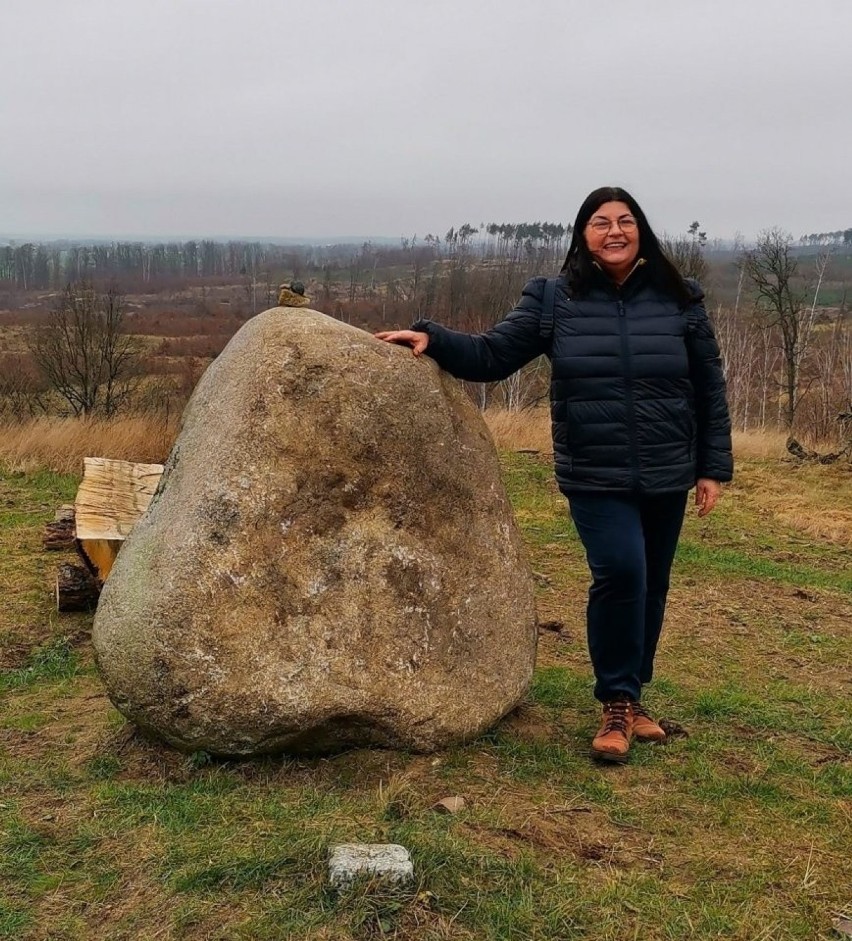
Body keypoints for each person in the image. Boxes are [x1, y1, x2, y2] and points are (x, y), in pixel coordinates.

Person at [375, 186, 733, 764]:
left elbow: (709, 387)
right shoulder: (555, 298)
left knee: (652, 583)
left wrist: (712, 467)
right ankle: (616, 702)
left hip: (669, 467)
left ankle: (633, 695)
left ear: (640, 229)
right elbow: (493, 354)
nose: (614, 231)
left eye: (624, 221)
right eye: (600, 223)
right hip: (595, 469)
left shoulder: (679, 299)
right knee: (621, 570)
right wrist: (433, 339)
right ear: (582, 235)